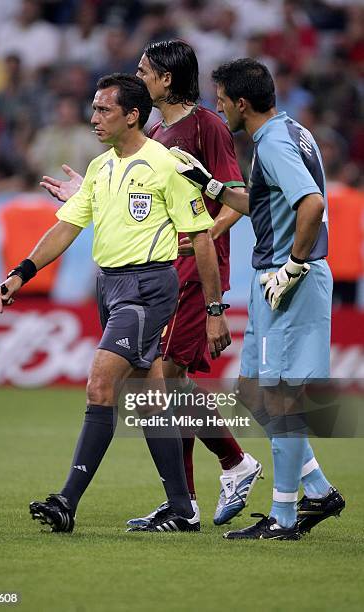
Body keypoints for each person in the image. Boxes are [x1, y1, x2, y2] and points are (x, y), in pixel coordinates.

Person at [0, 73, 231, 534]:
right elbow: (67, 224)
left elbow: (201, 239)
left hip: (147, 288)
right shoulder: (102, 167)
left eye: (104, 110)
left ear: (132, 115)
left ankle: (67, 501)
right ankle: (182, 508)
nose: (93, 117)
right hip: (110, 287)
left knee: (100, 384)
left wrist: (214, 309)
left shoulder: (168, 165)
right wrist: (23, 271)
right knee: (148, 400)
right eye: (94, 108)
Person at [41, 41, 262, 528]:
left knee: (162, 378)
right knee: (166, 380)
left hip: (189, 264)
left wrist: (200, 237)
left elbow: (236, 197)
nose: (139, 76)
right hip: (163, 265)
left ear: (166, 79)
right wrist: (89, 193)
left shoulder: (206, 125)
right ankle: (212, 480)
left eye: (145, 70)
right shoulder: (156, 130)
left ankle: (208, 485)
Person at [172, 58, 345, 540]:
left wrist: (292, 265)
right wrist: (210, 186)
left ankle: (285, 518)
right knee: (253, 392)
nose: (218, 106)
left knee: (280, 399)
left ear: (241, 103)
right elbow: (267, 203)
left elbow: (311, 203)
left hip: (288, 280)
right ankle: (319, 492)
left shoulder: (272, 145)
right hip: (276, 280)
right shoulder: (291, 132)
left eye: (222, 99)